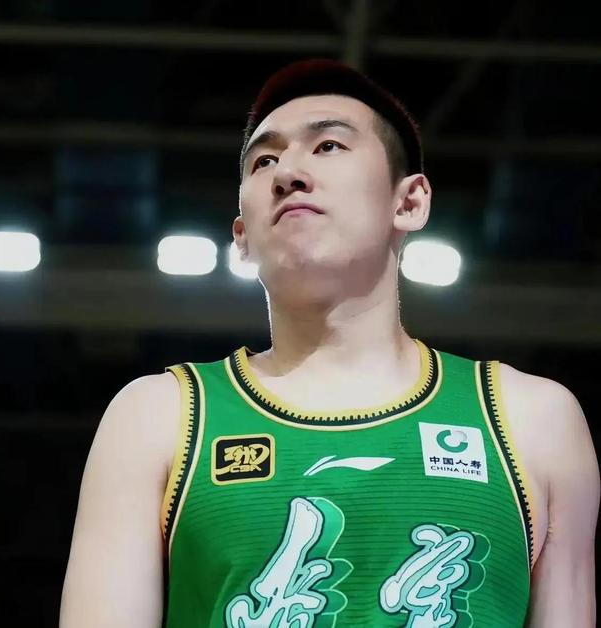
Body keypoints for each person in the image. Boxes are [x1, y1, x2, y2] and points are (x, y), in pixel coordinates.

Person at [59, 58, 599, 627]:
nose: (288, 173)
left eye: (328, 146)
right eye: (265, 161)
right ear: (241, 236)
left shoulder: (532, 419)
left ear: (409, 202)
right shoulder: (158, 416)